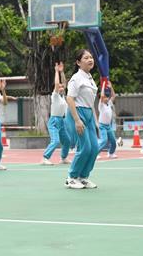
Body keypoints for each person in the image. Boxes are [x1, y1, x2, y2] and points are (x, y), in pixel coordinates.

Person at [65, 49, 99, 189]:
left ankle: (83, 177)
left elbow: (91, 103)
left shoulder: (90, 78)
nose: (90, 59)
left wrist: (95, 121)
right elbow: (69, 98)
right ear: (78, 62)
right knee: (85, 147)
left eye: (91, 57)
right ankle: (72, 177)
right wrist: (77, 120)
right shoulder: (76, 78)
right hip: (78, 113)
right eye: (86, 58)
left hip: (89, 114)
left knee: (94, 148)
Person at [42, 62, 71, 165]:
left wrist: (62, 72)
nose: (62, 87)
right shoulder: (55, 95)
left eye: (63, 87)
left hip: (62, 121)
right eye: (60, 87)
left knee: (67, 141)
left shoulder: (63, 96)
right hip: (54, 121)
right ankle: (45, 158)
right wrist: (56, 71)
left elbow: (63, 83)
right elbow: (58, 83)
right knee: (55, 141)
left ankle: (63, 158)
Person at [97, 84, 118, 159]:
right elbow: (102, 96)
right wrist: (103, 86)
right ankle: (95, 154)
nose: (106, 98)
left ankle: (111, 153)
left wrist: (111, 87)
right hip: (102, 126)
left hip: (108, 126)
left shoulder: (109, 103)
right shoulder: (101, 105)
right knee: (104, 140)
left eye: (107, 97)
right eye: (105, 97)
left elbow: (114, 96)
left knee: (113, 141)